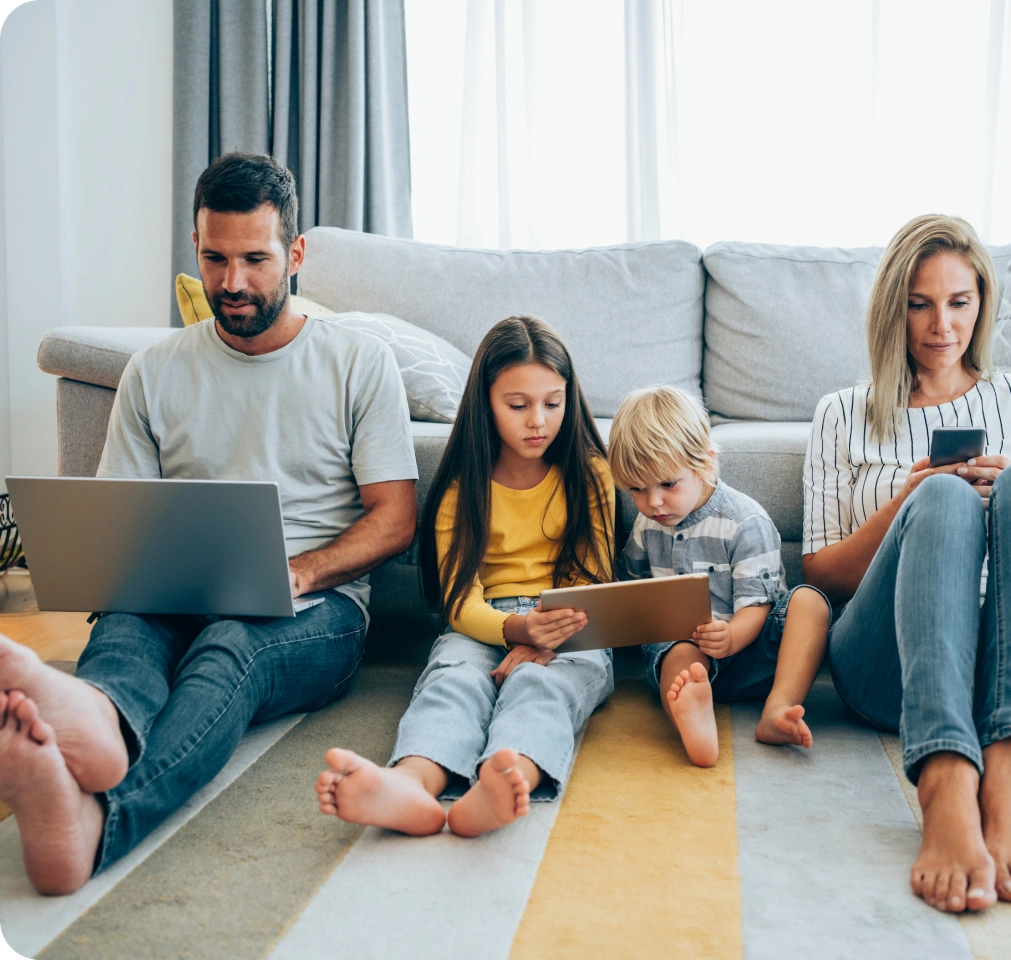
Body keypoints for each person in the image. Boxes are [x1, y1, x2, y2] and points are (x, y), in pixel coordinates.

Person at [0, 152, 418, 894]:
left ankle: (104, 817)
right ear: (195, 248)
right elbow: (116, 521)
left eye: (255, 259)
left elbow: (395, 519)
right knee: (127, 628)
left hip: (314, 611)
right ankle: (98, 718)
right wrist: (116, 578)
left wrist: (304, 569)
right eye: (214, 258)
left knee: (232, 646)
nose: (232, 282)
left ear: (294, 254)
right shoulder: (155, 371)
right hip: (175, 593)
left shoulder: (359, 362)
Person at [802, 214, 1011, 914]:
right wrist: (904, 503)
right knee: (939, 496)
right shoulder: (842, 413)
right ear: (891, 309)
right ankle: (942, 776)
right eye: (920, 303)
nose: (942, 325)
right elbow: (820, 573)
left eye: (959, 302)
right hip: (892, 668)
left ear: (982, 303)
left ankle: (1008, 770)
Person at [315, 316, 617, 837]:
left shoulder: (590, 473)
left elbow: (590, 579)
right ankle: (410, 783)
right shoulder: (464, 485)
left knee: (542, 686)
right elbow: (459, 601)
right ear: (486, 403)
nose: (538, 421)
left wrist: (544, 638)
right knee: (452, 681)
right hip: (482, 621)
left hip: (572, 624)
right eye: (518, 405)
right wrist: (518, 631)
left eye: (553, 402)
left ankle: (505, 777)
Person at [609, 386, 831, 767]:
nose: (653, 502)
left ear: (706, 464)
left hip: (757, 650)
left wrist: (731, 638)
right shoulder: (647, 526)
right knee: (677, 653)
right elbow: (629, 586)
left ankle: (779, 708)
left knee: (810, 601)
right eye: (636, 490)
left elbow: (758, 605)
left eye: (667, 484)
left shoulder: (744, 521)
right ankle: (692, 715)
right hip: (691, 654)